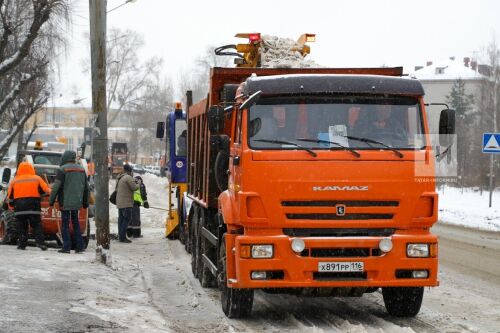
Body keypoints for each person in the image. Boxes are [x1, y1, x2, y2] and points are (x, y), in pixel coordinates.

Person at [49, 150, 89, 254]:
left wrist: (51, 200)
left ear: (65, 157)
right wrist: (85, 201)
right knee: (76, 224)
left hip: (65, 202)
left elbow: (56, 187)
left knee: (65, 224)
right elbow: (86, 188)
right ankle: (79, 246)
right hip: (77, 202)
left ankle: (66, 247)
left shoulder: (62, 170)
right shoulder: (81, 170)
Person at [7, 161, 50, 251]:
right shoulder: (37, 178)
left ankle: (22, 244)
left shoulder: (14, 181)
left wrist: (12, 206)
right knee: (37, 225)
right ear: (31, 168)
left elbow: (10, 197)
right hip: (33, 206)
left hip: (19, 208)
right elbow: (46, 190)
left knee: (21, 226)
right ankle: (40, 243)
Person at [116, 163, 139, 243]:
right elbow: (135, 187)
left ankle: (120, 236)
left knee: (121, 220)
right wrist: (138, 182)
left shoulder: (120, 177)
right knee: (126, 220)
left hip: (120, 203)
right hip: (126, 203)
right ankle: (122, 238)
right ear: (130, 171)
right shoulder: (128, 177)